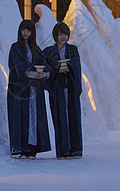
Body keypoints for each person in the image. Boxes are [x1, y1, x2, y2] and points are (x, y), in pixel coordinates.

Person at [7, 19, 51, 159]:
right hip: (20, 89)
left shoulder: (36, 49)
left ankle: (33, 149)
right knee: (22, 117)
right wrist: (34, 73)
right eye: (23, 30)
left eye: (28, 30)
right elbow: (19, 67)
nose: (25, 33)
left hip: (34, 90)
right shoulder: (15, 47)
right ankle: (23, 149)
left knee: (34, 117)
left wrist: (45, 73)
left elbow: (46, 65)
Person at [44, 22, 83, 159]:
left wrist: (67, 66)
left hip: (70, 87)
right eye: (60, 34)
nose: (63, 37)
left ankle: (75, 150)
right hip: (57, 87)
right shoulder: (48, 51)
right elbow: (45, 67)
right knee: (59, 118)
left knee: (73, 117)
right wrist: (57, 67)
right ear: (55, 35)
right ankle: (63, 150)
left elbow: (76, 64)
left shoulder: (73, 49)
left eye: (65, 34)